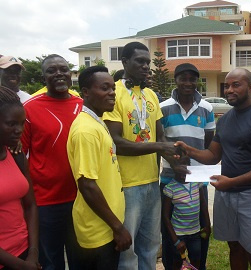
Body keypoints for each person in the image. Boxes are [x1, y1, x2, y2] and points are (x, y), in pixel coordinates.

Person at [176, 68, 251, 270]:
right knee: (234, 247)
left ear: (250, 87)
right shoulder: (225, 120)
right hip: (226, 196)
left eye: (236, 84)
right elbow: (213, 155)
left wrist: (232, 182)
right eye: (227, 86)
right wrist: (188, 150)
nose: (229, 90)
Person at [103, 42, 179, 270]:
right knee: (128, 251)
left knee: (150, 246)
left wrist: (177, 161)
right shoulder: (113, 93)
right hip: (125, 185)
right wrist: (159, 146)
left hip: (150, 183)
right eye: (140, 61)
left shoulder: (150, 95)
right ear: (125, 62)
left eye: (148, 62)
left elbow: (161, 135)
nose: (147, 66)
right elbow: (117, 143)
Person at [21, 54, 83, 270]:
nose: (59, 74)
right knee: (50, 262)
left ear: (71, 74)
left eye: (63, 69)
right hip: (46, 202)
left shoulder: (83, 106)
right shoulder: (29, 108)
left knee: (80, 259)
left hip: (81, 199)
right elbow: (20, 155)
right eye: (51, 70)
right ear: (43, 77)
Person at [67, 66, 132, 270]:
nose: (112, 92)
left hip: (106, 227)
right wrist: (118, 227)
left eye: (113, 88)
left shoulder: (97, 122)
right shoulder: (86, 130)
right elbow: (87, 184)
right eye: (105, 88)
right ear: (85, 92)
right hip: (98, 231)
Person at [160, 63, 215, 270]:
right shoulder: (163, 107)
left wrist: (199, 166)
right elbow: (160, 140)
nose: (188, 83)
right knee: (170, 232)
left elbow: (208, 143)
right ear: (176, 80)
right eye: (183, 78)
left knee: (200, 232)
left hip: (197, 180)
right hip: (169, 179)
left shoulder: (207, 108)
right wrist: (175, 165)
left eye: (193, 79)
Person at [0, 86, 40, 270]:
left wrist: (33, 252)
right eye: (11, 124)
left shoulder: (16, 154)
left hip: (24, 252)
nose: (19, 130)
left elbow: (30, 204)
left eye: (22, 123)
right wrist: (20, 266)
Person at [162, 151, 211, 270]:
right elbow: (165, 217)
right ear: (174, 168)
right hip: (178, 235)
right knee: (177, 262)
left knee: (196, 260)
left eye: (185, 166)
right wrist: (176, 241)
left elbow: (203, 206)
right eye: (179, 167)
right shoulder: (170, 189)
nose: (183, 170)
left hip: (195, 233)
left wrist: (208, 225)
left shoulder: (196, 183)